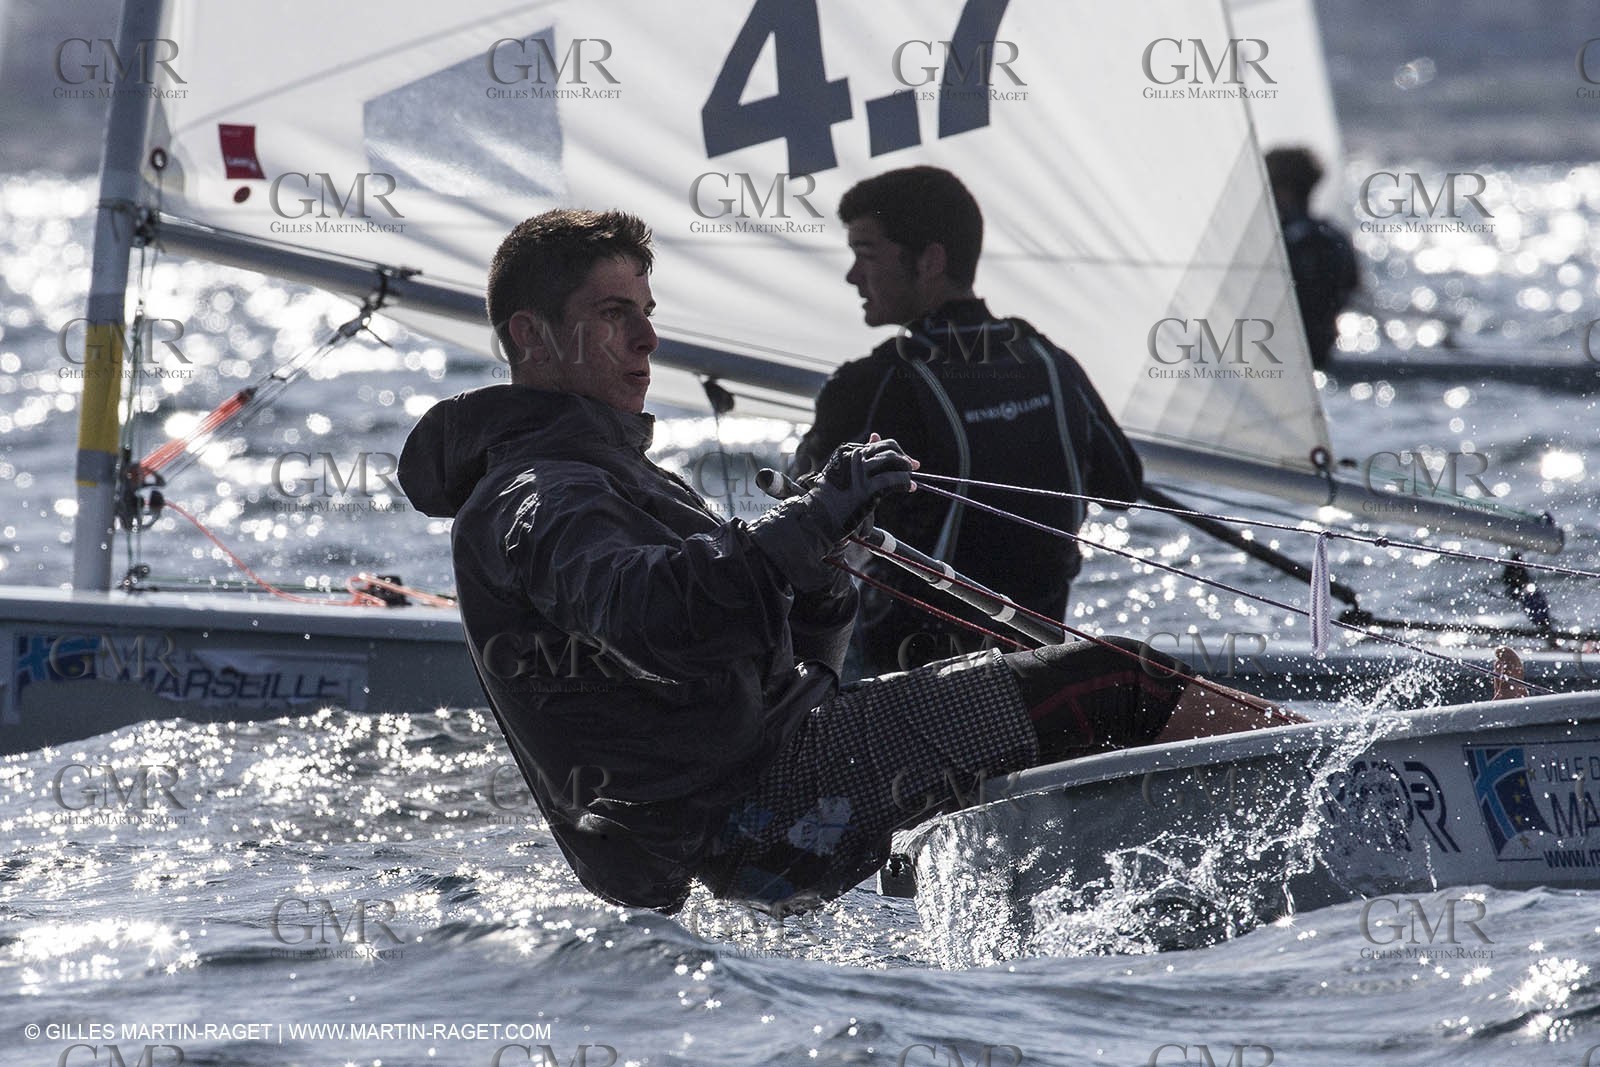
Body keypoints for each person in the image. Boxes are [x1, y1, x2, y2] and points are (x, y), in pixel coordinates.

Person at [398, 208, 1297, 917]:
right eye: (612, 315)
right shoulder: (538, 494)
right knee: (1113, 679)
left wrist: (820, 568)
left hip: (760, 802)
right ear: (529, 337)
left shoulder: (606, 473)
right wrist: (803, 520)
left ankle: (1284, 788)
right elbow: (654, 615)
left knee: (1084, 708)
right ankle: (1331, 771)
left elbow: (789, 652)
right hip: (752, 805)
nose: (647, 342)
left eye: (647, 314)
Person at [792, 166, 1142, 678]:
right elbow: (1122, 488)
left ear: (930, 260)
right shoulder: (1050, 362)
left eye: (866, 255)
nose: (852, 276)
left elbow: (797, 525)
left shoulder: (871, 384)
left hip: (909, 686)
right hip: (1036, 677)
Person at [1264, 146, 1360, 371]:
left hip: (1280, 351)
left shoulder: (1278, 240)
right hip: (1323, 346)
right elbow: (1351, 286)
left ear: (1283, 190)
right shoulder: (1333, 236)